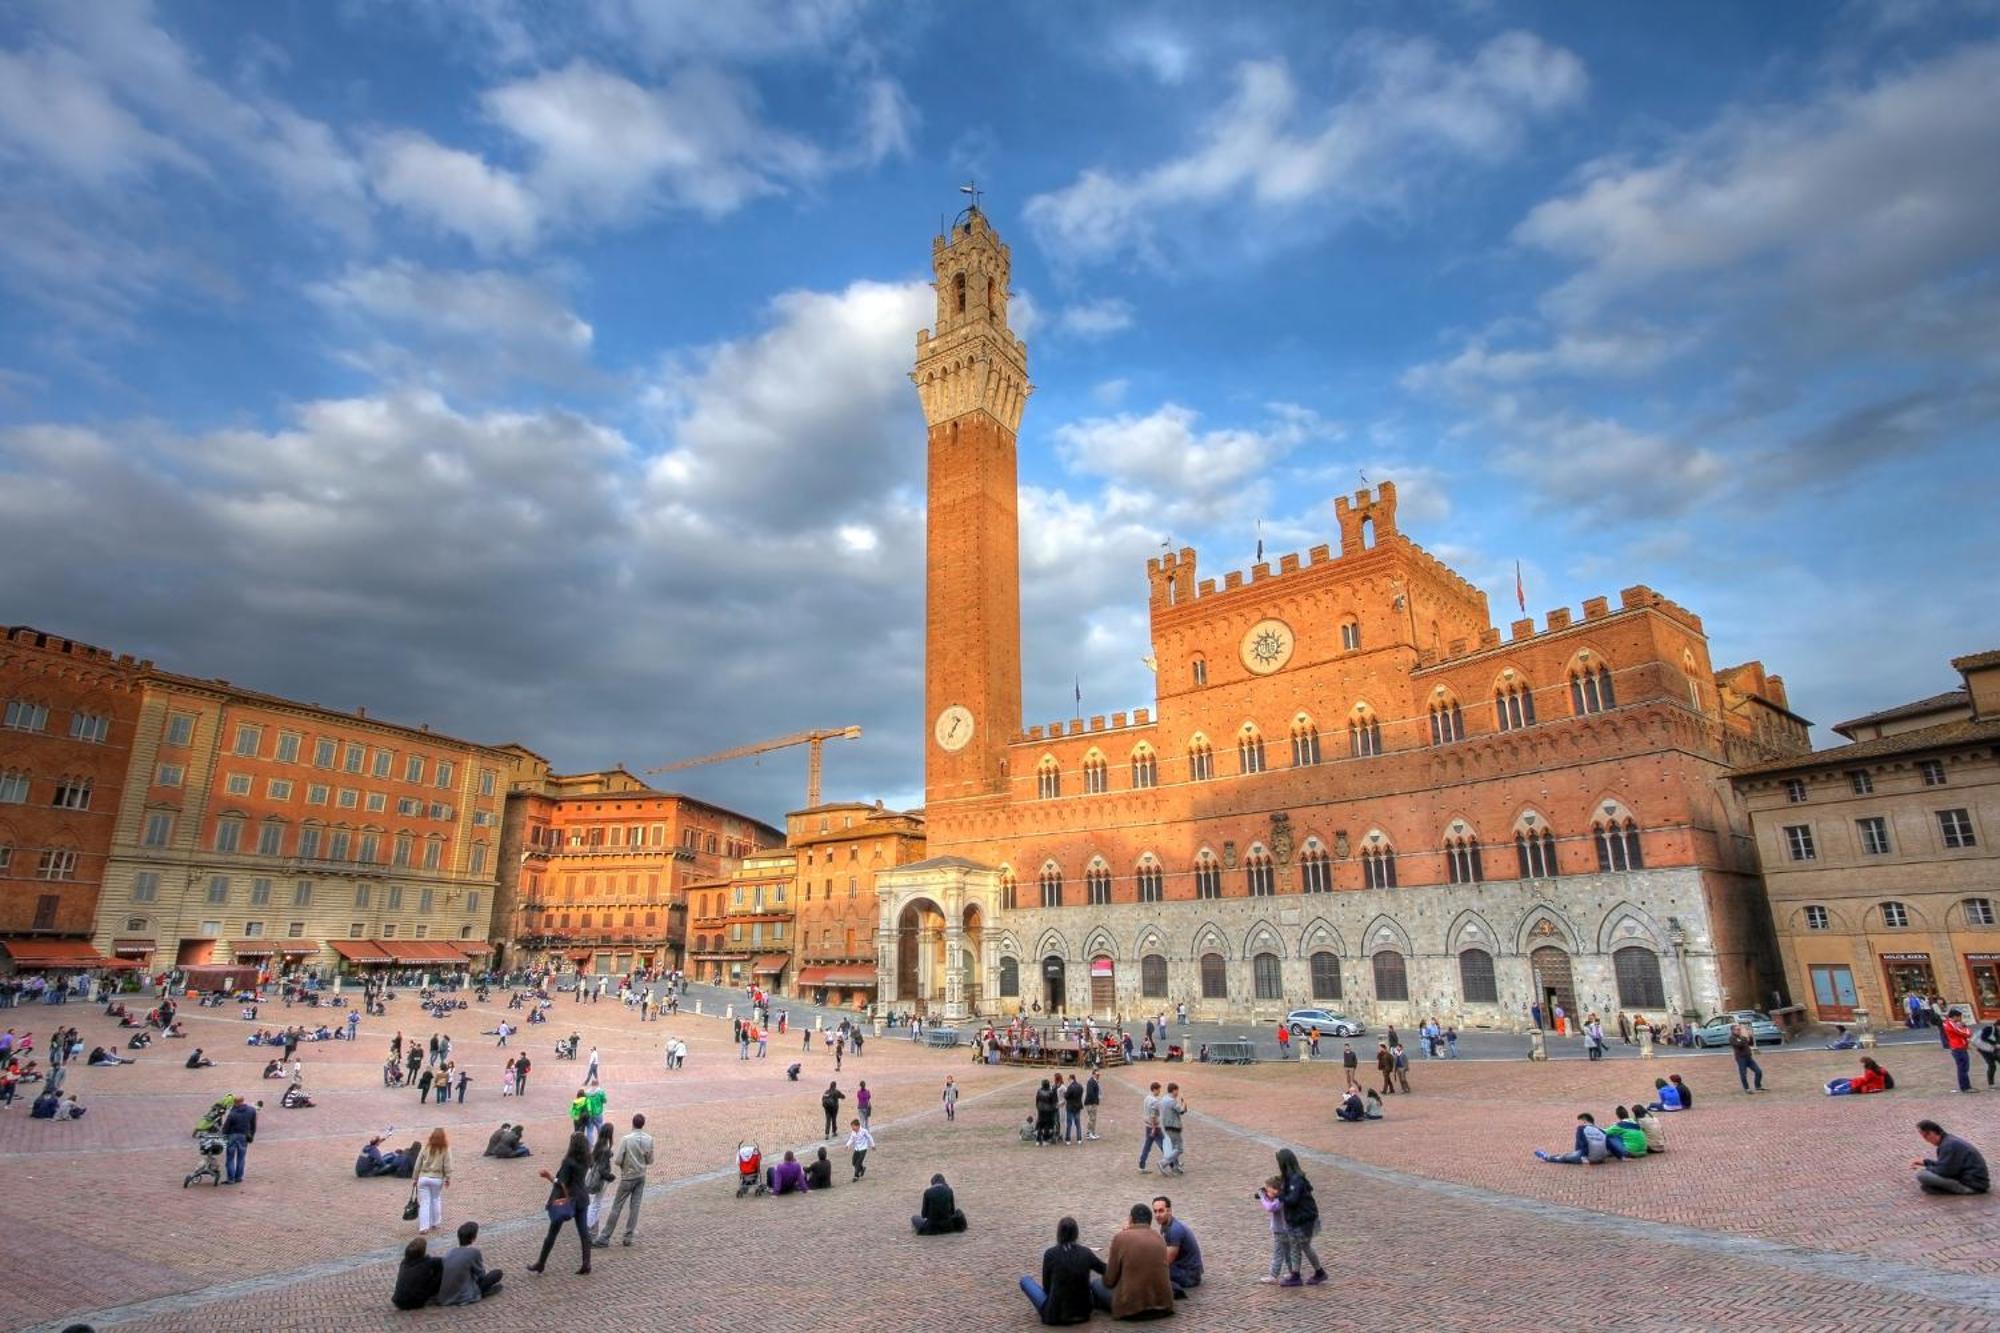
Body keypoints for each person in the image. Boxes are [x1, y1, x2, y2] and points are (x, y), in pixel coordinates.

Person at [1019, 1215, 1109, 1324]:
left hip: (1055, 1315)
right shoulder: (1086, 1252)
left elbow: (1047, 1286)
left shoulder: (1050, 1253)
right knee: (1092, 1282)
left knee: (1025, 1281)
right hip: (1083, 1313)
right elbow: (1105, 1269)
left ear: (1059, 1233)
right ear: (1076, 1234)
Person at [528, 1132, 592, 1275]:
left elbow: (561, 1183)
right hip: (582, 1197)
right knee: (583, 1232)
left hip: (568, 1200)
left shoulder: (569, 1162)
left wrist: (548, 1176)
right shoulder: (587, 1158)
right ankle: (586, 1263)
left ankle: (541, 1263)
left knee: (552, 1232)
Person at [1097, 1201, 1175, 1319]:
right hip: (1162, 1306)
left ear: (1131, 1219)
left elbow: (1109, 1280)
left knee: (1095, 1284)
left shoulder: (1121, 1238)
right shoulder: (1159, 1238)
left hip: (1131, 1308)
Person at [593, 1113, 654, 1247]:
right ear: (643, 1124)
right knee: (635, 1207)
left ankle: (604, 1237)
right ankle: (628, 1237)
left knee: (617, 1206)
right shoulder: (649, 1139)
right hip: (641, 1176)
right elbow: (650, 1160)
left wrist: (624, 1167)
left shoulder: (626, 1139)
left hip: (627, 1177)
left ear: (632, 1123)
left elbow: (618, 1160)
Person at [1274, 1147, 1326, 1286]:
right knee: (1296, 1246)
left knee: (1305, 1246)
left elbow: (1292, 1199)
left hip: (1303, 1219)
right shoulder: (1290, 1178)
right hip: (1294, 1219)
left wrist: (1279, 1196)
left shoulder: (1296, 1179)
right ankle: (1295, 1275)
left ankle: (1319, 1272)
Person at [1913, 1119, 1990, 1194]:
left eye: (1925, 1136)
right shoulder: (1949, 1141)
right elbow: (1947, 1165)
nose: (1926, 1140)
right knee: (1927, 1177)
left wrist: (1928, 1169)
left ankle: (1947, 1190)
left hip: (1973, 1185)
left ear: (1932, 1133)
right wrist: (1926, 1162)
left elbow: (1945, 1171)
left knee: (1922, 1175)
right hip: (1976, 1182)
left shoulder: (1948, 1145)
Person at [437, 1221, 503, 1305]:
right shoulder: (474, 1252)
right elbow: (481, 1274)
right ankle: (483, 1292)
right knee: (497, 1273)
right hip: (464, 1295)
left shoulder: (450, 1252)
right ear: (473, 1238)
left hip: (445, 1296)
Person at [1153, 1195, 1202, 1295]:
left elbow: (1167, 1261)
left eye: (1161, 1211)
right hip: (1185, 1268)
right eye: (1155, 1211)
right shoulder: (1166, 1225)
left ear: (1169, 1211)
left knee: (1152, 1272)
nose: (1157, 1215)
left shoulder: (1174, 1230)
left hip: (1189, 1275)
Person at [1534, 1112, 1624, 1164]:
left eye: (1580, 1121)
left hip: (1589, 1157)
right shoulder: (1602, 1131)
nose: (1579, 1123)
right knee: (1570, 1154)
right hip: (1601, 1158)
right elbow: (1610, 1145)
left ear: (1584, 1120)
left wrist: (1583, 1156)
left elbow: (1582, 1143)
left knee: (1564, 1157)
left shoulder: (1581, 1129)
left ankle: (1547, 1157)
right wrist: (1620, 1157)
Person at [414, 1127, 452, 1234]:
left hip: (423, 1177)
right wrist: (448, 1178)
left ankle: (423, 1227)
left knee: (424, 1202)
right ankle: (435, 1222)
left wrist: (415, 1178)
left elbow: (418, 1163)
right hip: (437, 1178)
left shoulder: (426, 1147)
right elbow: (448, 1165)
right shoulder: (445, 1149)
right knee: (435, 1199)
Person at [391, 1236, 443, 1310]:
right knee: (440, 1270)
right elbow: (442, 1261)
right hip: (416, 1302)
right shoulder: (427, 1262)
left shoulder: (404, 1262)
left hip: (398, 1300)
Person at [583, 1124, 615, 1231]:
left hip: (594, 1177)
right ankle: (589, 1225)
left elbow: (592, 1163)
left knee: (595, 1203)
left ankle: (592, 1224)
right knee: (596, 1204)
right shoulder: (605, 1149)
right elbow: (602, 1169)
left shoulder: (598, 1145)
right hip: (601, 1180)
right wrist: (610, 1176)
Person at [222, 1094, 257, 1183]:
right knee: (241, 1158)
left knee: (230, 1158)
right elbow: (253, 1125)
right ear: (243, 1100)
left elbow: (226, 1128)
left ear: (235, 1102)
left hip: (232, 1136)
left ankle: (231, 1179)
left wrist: (223, 1135)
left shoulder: (232, 1114)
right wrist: (251, 1135)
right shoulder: (251, 1110)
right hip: (244, 1136)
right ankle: (239, 1177)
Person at [1825, 1056, 1893, 1096]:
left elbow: (1865, 1081)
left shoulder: (1871, 1072)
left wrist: (1856, 1081)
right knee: (1849, 1083)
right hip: (1875, 1086)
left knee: (1851, 1086)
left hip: (1870, 1087)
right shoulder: (1879, 1069)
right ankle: (1832, 1088)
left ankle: (1833, 1091)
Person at [1943, 1009, 1975, 1093]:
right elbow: (1964, 1033)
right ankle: (1965, 1087)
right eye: (1959, 1017)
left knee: (1964, 1067)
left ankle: (1966, 1086)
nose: (1960, 1019)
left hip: (1960, 1046)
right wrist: (1965, 1028)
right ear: (1954, 1016)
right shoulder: (1950, 1024)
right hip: (1958, 1047)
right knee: (1963, 1068)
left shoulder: (1950, 1023)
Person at [1158, 1083, 1187, 1175]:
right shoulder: (1172, 1101)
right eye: (1177, 1090)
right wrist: (1184, 1104)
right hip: (1174, 1127)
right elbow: (1181, 1110)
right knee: (1179, 1149)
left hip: (1166, 1126)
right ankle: (1163, 1163)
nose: (1177, 1092)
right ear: (1174, 1090)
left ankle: (1175, 1167)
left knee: (1174, 1147)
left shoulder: (1164, 1099)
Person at [1730, 1023, 1765, 1093]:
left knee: (1758, 1071)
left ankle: (1758, 1086)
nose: (1739, 1031)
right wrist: (1745, 1038)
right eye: (1737, 1029)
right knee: (1743, 1074)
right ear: (1733, 1031)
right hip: (1741, 1058)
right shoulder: (1732, 1038)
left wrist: (1750, 1036)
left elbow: (1750, 1043)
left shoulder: (1742, 1037)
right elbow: (1739, 1045)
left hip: (1748, 1057)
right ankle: (1747, 1088)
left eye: (1739, 1029)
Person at [1138, 1081, 1164, 1170]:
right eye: (1159, 1090)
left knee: (1147, 1146)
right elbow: (1153, 1116)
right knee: (1164, 1145)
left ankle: (1142, 1165)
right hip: (1154, 1127)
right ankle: (1172, 1163)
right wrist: (1154, 1128)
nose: (1159, 1092)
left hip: (1147, 1126)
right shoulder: (1155, 1101)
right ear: (1154, 1089)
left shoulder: (1146, 1098)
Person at [1085, 1070, 1102, 1140]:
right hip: (1091, 1103)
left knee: (1093, 1118)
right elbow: (1090, 1093)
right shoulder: (1091, 1081)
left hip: (1093, 1103)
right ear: (1093, 1074)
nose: (1098, 1076)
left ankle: (1093, 1132)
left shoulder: (1095, 1081)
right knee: (1091, 1118)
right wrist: (1094, 1102)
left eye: (1098, 1075)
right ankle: (1089, 1134)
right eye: (1097, 1074)